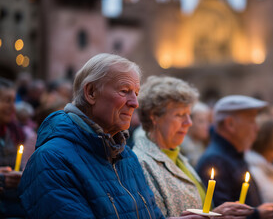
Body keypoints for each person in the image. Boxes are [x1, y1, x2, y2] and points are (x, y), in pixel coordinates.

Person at [18, 54, 204, 219]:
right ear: (91, 92)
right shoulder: (51, 160)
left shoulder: (127, 156)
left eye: (136, 94)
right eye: (124, 91)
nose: (135, 103)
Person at [133, 76, 253, 218]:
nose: (189, 123)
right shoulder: (140, 163)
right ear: (154, 116)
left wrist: (219, 214)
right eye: (180, 115)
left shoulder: (179, 158)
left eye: (189, 115)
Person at [196, 95, 273, 219]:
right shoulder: (215, 160)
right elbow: (221, 213)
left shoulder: (234, 154)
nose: (257, 128)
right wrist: (258, 215)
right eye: (251, 121)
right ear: (230, 124)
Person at [0, 77, 25, 217]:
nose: (12, 107)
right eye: (7, 101)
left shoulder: (11, 133)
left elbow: (17, 166)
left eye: (13, 101)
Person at [181, 101, 211, 167]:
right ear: (189, 122)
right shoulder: (181, 148)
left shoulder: (201, 145)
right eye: (201, 121)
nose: (206, 126)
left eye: (208, 121)